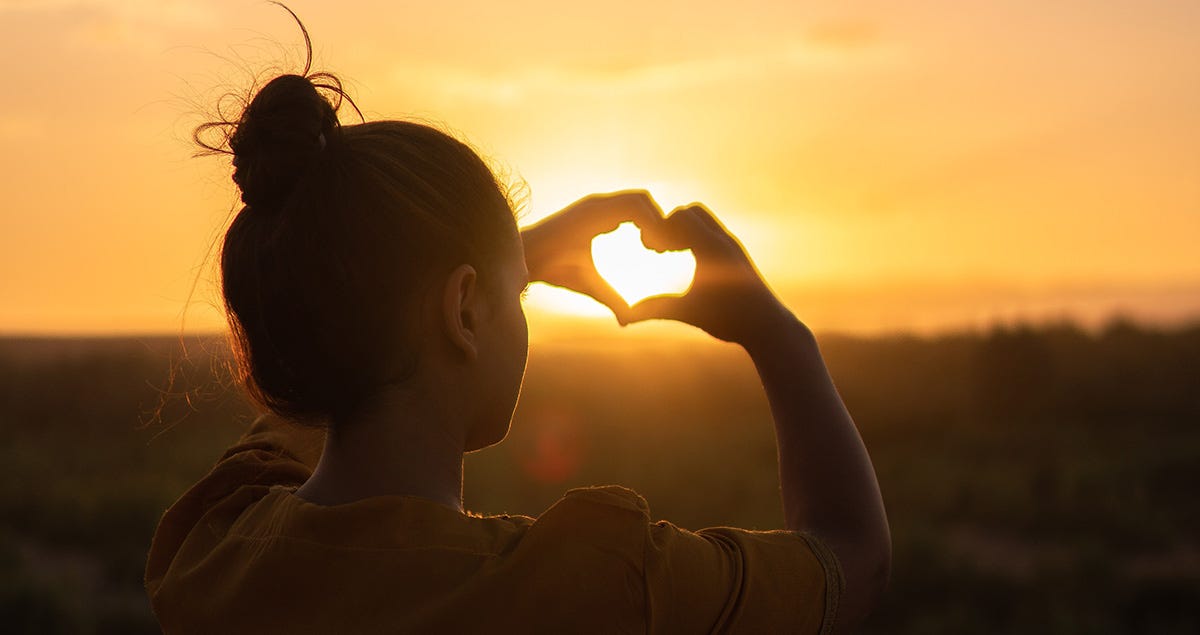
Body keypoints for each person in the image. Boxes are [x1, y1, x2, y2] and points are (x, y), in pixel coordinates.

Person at [145, 44, 890, 634]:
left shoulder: (212, 550)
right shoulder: (598, 584)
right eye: (516, 292)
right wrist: (778, 332)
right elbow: (849, 556)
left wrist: (493, 262)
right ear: (464, 310)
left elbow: (325, 350)